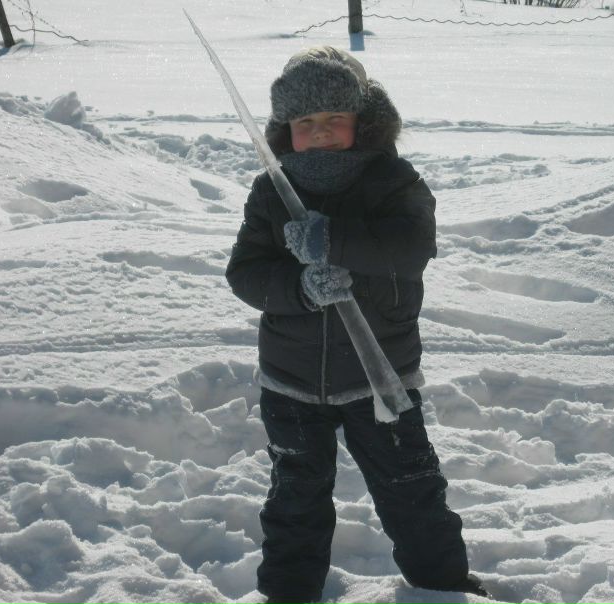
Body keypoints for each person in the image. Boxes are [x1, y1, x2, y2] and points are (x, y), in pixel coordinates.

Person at [226, 46, 487, 604]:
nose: (319, 133)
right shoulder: (270, 191)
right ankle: (287, 594)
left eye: (333, 120)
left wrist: (333, 241)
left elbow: (412, 247)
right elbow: (245, 274)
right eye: (304, 122)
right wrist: (300, 289)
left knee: (411, 486)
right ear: (285, 129)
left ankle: (442, 587)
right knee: (295, 496)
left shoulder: (393, 180)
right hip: (291, 380)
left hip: (381, 377)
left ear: (361, 121)